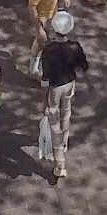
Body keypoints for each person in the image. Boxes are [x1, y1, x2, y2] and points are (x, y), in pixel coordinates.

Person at [40, 10, 88, 185]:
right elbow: (84, 66)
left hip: (55, 87)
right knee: (66, 112)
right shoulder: (75, 47)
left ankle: (60, 163)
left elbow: (44, 77)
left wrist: (43, 100)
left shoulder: (49, 49)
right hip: (70, 84)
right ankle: (65, 141)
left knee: (54, 122)